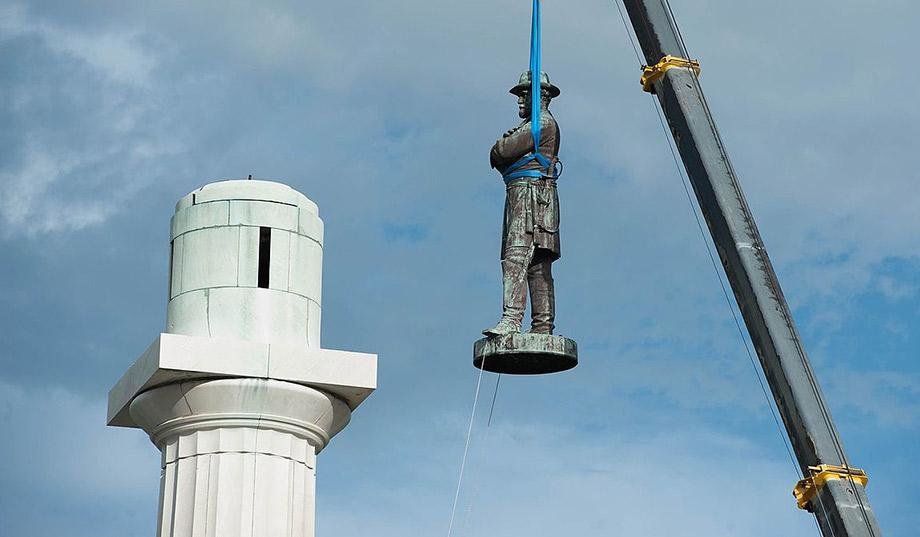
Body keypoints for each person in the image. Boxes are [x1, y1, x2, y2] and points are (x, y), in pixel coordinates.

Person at [483, 70, 562, 337]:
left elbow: (501, 152)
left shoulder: (541, 124)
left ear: (541, 96)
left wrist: (501, 146)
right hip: (531, 195)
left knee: (517, 258)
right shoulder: (533, 126)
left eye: (524, 94)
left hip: (531, 197)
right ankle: (542, 327)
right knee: (536, 265)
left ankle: (512, 319)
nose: (520, 100)